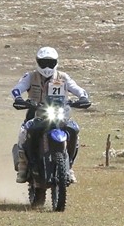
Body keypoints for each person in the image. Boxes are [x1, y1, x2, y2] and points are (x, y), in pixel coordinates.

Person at [10, 46, 90, 183]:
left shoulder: (63, 77)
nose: (47, 66)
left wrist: (83, 98)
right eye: (44, 63)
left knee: (74, 130)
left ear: (56, 63)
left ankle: (69, 166)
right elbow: (17, 89)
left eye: (50, 63)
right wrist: (18, 99)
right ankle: (23, 166)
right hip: (37, 113)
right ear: (37, 62)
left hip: (60, 113)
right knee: (25, 132)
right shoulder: (30, 77)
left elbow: (78, 89)